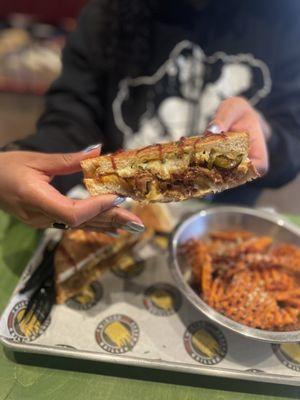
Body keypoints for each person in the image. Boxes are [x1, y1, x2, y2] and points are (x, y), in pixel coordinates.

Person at [1, 0, 300, 232]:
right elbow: (70, 121)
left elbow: (291, 145)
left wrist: (264, 132)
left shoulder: (286, 20)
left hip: (223, 225)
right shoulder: (108, 14)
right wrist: (27, 163)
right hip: (114, 213)